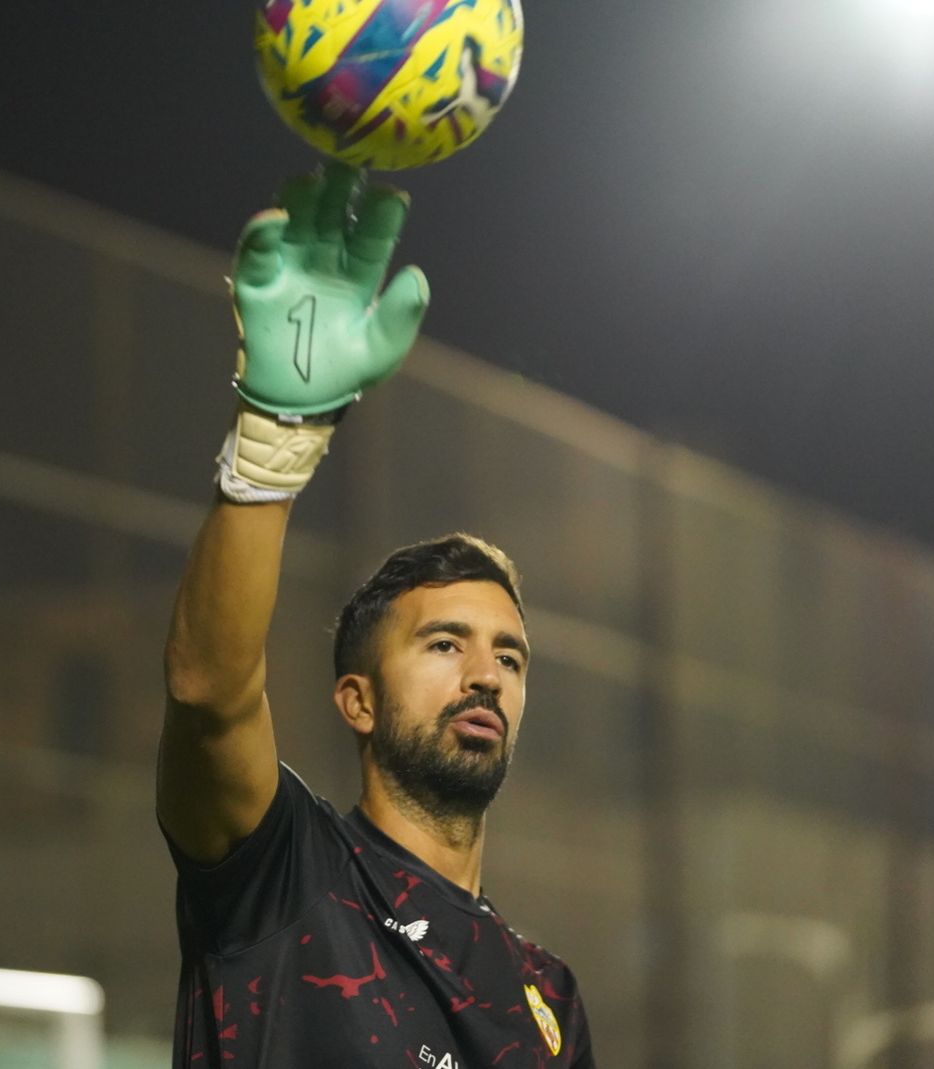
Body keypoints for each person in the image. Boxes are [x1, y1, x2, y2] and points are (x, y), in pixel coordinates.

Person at [158, 163, 595, 1067]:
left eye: (510, 658)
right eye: (445, 643)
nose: (486, 674)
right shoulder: (287, 874)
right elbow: (208, 690)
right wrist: (272, 442)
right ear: (355, 699)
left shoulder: (546, 994)